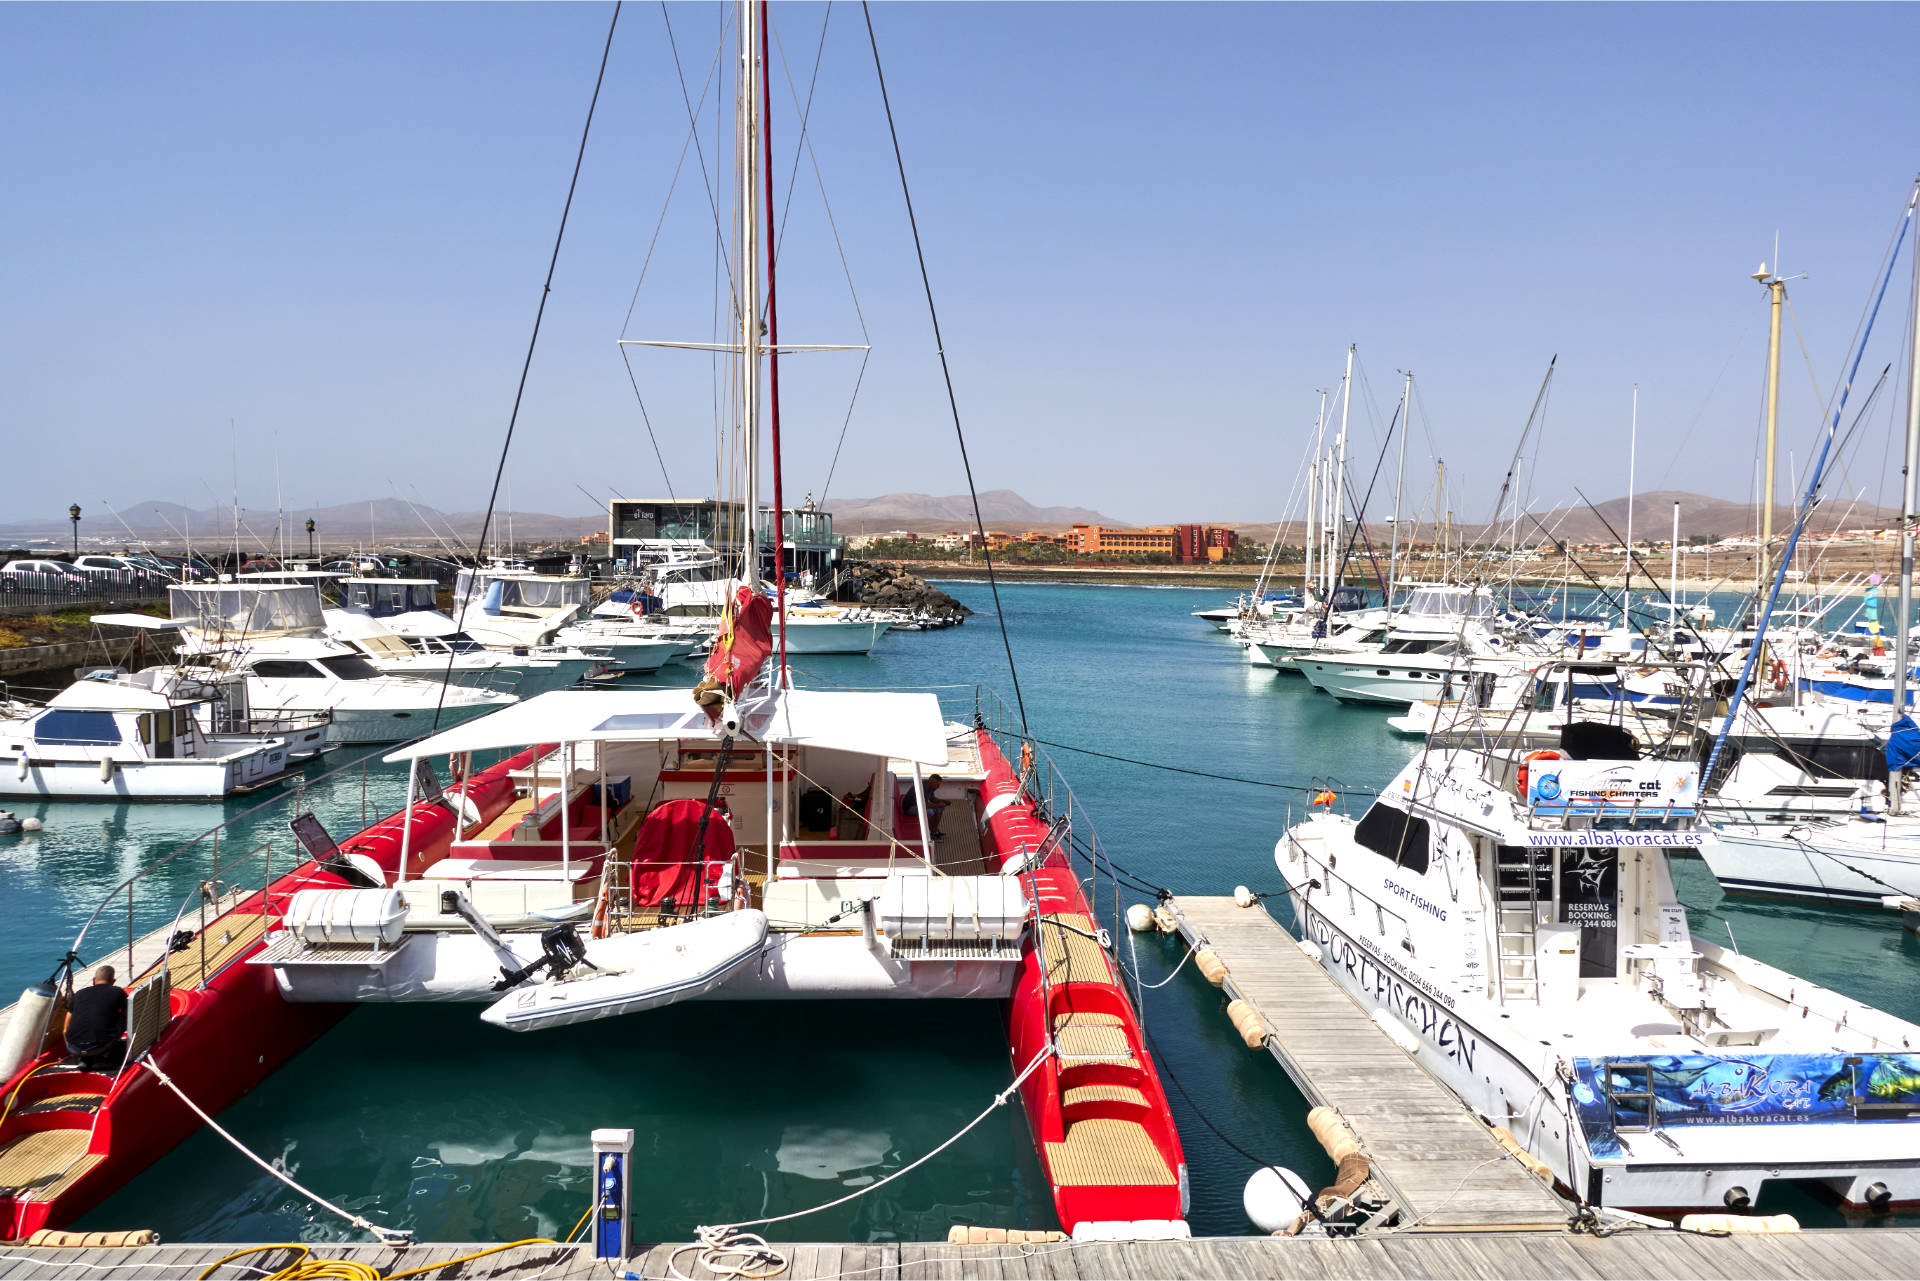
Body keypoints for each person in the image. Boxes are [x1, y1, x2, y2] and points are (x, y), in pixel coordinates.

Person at [65, 965, 128, 1071]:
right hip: (100, 1047)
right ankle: (108, 1056)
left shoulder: (79, 994)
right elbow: (130, 1013)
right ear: (113, 981)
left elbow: (65, 1028)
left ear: (94, 980)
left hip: (73, 1047)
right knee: (123, 1016)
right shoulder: (117, 992)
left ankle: (84, 1059)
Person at [904, 774, 952, 841]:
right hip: (910, 808)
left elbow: (932, 798)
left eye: (939, 785)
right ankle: (931, 833)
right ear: (931, 781)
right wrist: (938, 805)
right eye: (937, 785)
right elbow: (922, 805)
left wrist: (943, 801)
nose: (938, 787)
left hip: (920, 805)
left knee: (940, 808)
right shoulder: (921, 788)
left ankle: (934, 830)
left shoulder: (931, 787)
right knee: (930, 812)